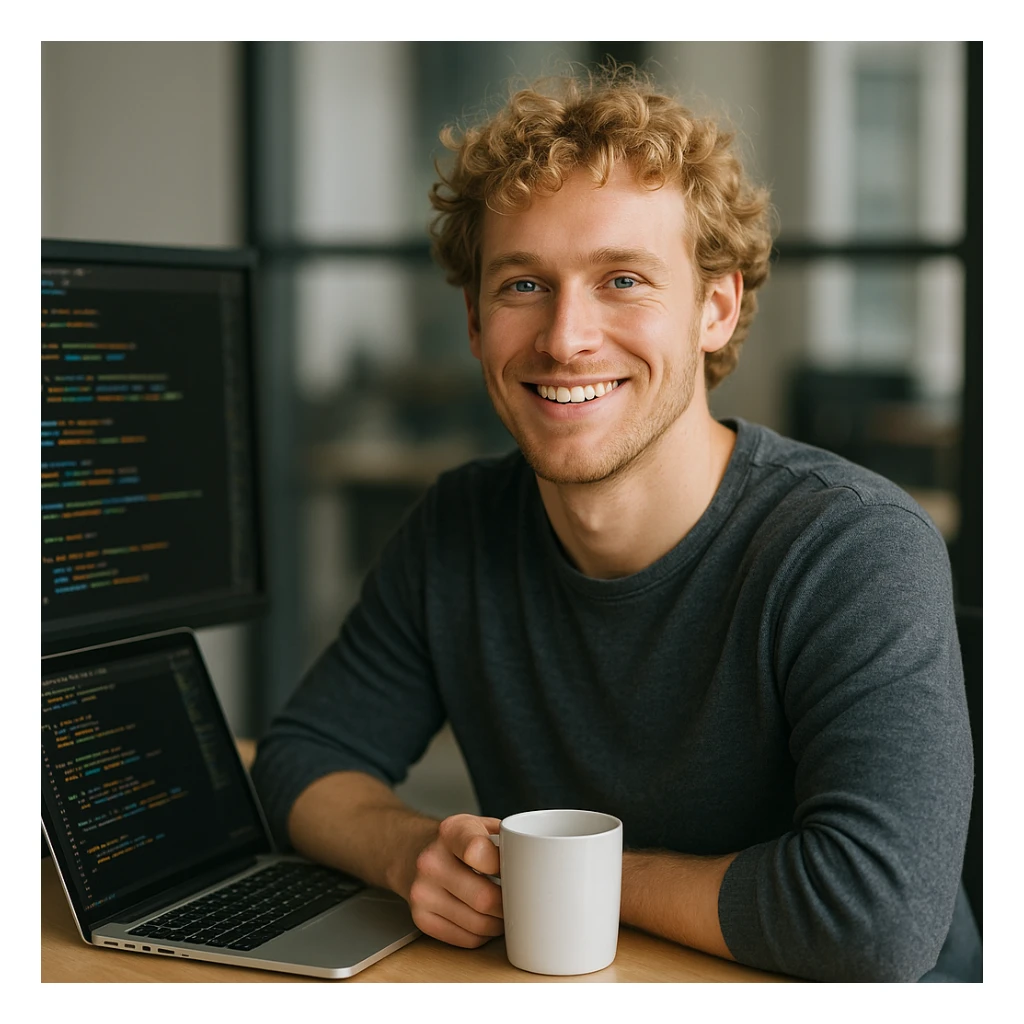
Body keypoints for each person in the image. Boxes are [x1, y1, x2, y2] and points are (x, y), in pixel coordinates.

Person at [250, 64, 981, 982]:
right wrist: (409, 853)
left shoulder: (853, 547)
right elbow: (303, 760)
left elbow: (870, 919)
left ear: (715, 308)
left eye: (624, 279)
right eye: (523, 286)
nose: (565, 337)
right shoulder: (462, 526)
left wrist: (557, 874)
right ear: (475, 321)